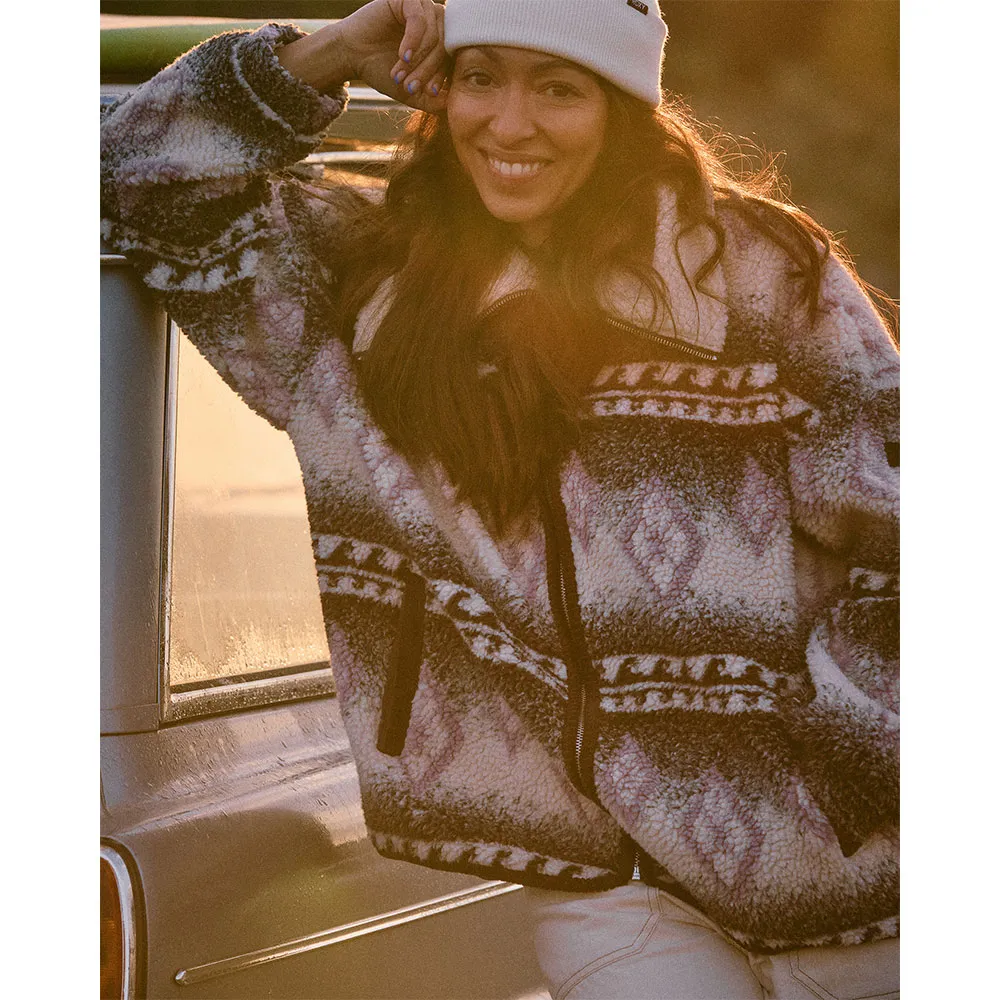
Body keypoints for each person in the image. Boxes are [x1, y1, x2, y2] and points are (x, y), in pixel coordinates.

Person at [100, 1, 899, 997]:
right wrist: (332, 50)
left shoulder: (762, 276)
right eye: (482, 76)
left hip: (858, 872)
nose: (509, 123)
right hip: (612, 889)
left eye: (557, 87)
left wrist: (855, 769)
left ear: (620, 104)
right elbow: (132, 172)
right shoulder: (362, 283)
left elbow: (902, 534)